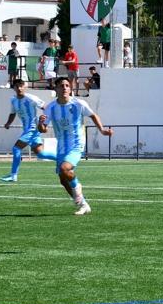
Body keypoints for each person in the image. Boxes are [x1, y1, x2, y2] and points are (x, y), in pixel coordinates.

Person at [39, 76, 113, 215]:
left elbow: (93, 115)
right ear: (56, 89)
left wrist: (102, 130)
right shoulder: (51, 107)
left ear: (70, 88)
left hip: (76, 143)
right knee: (63, 179)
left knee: (65, 168)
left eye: (67, 85)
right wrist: (40, 123)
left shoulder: (78, 103)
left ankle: (77, 186)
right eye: (61, 85)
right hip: (61, 146)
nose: (65, 88)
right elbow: (43, 129)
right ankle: (83, 204)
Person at [0, 79, 55, 182]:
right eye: (17, 86)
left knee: (16, 149)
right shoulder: (13, 100)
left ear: (25, 87)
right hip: (27, 129)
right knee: (41, 154)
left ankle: (13, 175)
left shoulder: (31, 98)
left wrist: (46, 121)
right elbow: (13, 113)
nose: (19, 88)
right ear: (14, 88)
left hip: (33, 128)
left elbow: (46, 107)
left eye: (21, 86)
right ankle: (63, 159)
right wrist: (8, 123)